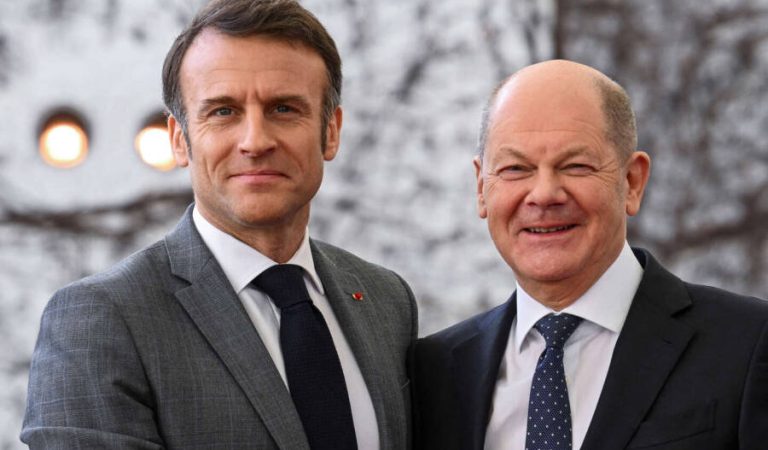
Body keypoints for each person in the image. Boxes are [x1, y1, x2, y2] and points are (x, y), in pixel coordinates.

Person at [21, 1, 417, 449]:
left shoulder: (386, 301)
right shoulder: (101, 319)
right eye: (223, 111)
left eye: (284, 109)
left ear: (331, 131)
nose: (255, 141)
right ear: (179, 140)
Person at [412, 59, 768, 450]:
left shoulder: (747, 343)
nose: (545, 193)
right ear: (482, 188)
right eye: (516, 169)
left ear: (632, 182)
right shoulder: (435, 371)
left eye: (576, 166)